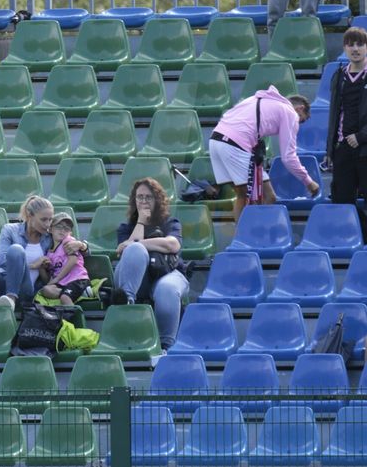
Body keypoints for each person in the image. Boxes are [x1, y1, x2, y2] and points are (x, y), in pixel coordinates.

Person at [209, 85, 318, 220]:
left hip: (215, 141)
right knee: (254, 197)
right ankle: (249, 232)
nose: (297, 123)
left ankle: (251, 229)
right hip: (234, 144)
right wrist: (309, 182)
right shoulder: (290, 112)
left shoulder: (256, 99)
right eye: (301, 119)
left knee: (259, 196)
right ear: (300, 108)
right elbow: (288, 157)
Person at [111, 178, 190, 351]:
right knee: (135, 250)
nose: (144, 201)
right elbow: (127, 256)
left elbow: (172, 245)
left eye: (148, 197)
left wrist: (138, 243)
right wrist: (140, 223)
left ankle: (165, 347)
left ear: (157, 200)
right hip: (137, 281)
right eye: (140, 197)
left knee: (167, 289)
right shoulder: (126, 228)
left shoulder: (170, 223)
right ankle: (127, 302)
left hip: (168, 272)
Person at [0, 195, 88, 309]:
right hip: (0, 285)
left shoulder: (50, 237)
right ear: (30, 215)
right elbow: (1, 261)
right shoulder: (10, 230)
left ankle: (11, 298)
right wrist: (33, 265)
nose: (48, 224)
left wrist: (82, 245)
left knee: (16, 249)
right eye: (43, 219)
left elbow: (76, 248)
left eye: (50, 220)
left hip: (24, 291)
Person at [325, 27, 367, 240]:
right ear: (344, 48)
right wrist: (330, 149)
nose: (355, 49)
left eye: (360, 44)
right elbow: (334, 113)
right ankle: (357, 239)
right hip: (343, 149)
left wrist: (361, 136)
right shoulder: (339, 75)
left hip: (364, 148)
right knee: (341, 201)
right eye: (351, 45)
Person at [38, 213, 91, 307]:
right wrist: (42, 268)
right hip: (63, 283)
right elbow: (47, 281)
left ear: (70, 233)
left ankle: (74, 315)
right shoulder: (49, 253)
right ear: (50, 229)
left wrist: (57, 279)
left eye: (66, 229)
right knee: (46, 290)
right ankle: (80, 293)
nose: (62, 230)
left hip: (77, 279)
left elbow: (73, 260)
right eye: (59, 227)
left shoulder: (68, 242)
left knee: (65, 298)